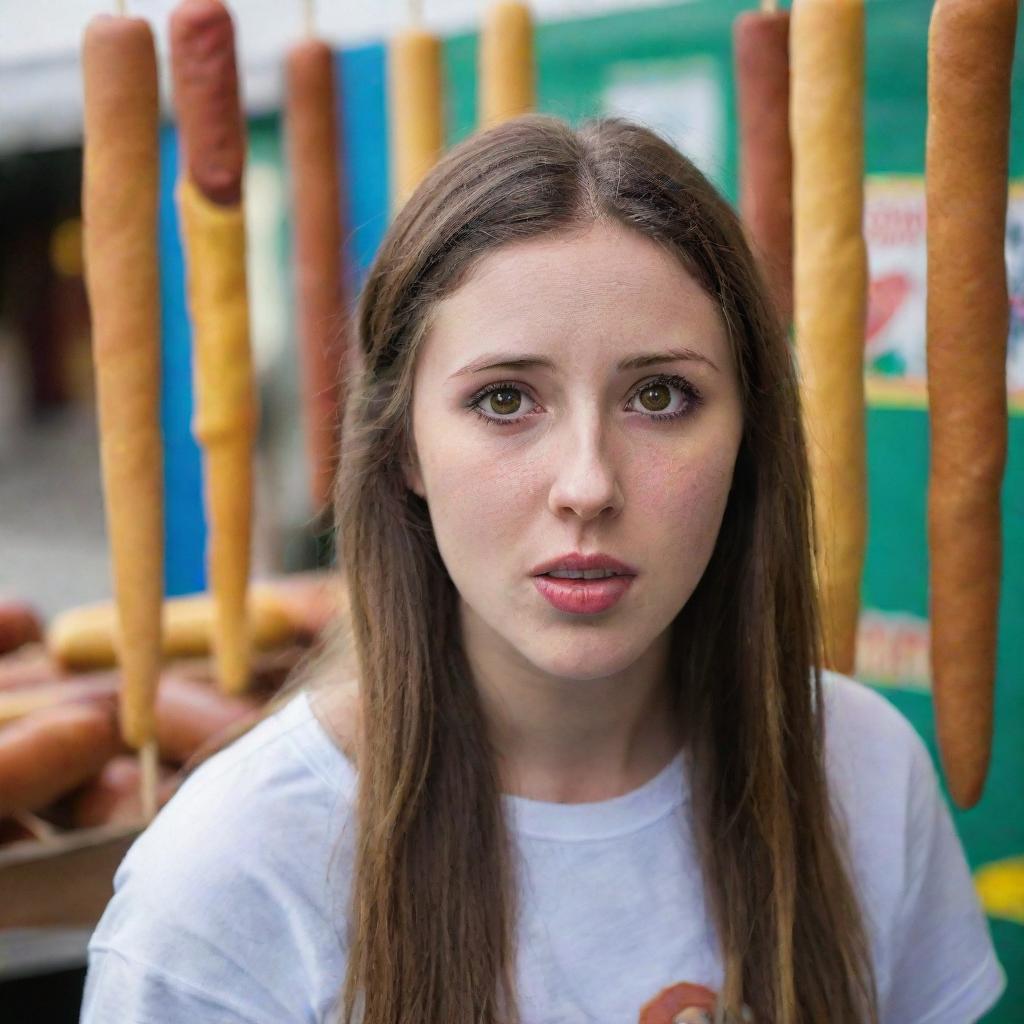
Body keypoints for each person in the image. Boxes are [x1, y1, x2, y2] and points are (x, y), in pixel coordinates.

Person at [79, 113, 1006, 1024]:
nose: (588, 485)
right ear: (403, 445)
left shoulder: (863, 774)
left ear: (748, 437)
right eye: (506, 399)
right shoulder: (231, 882)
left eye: (659, 395)